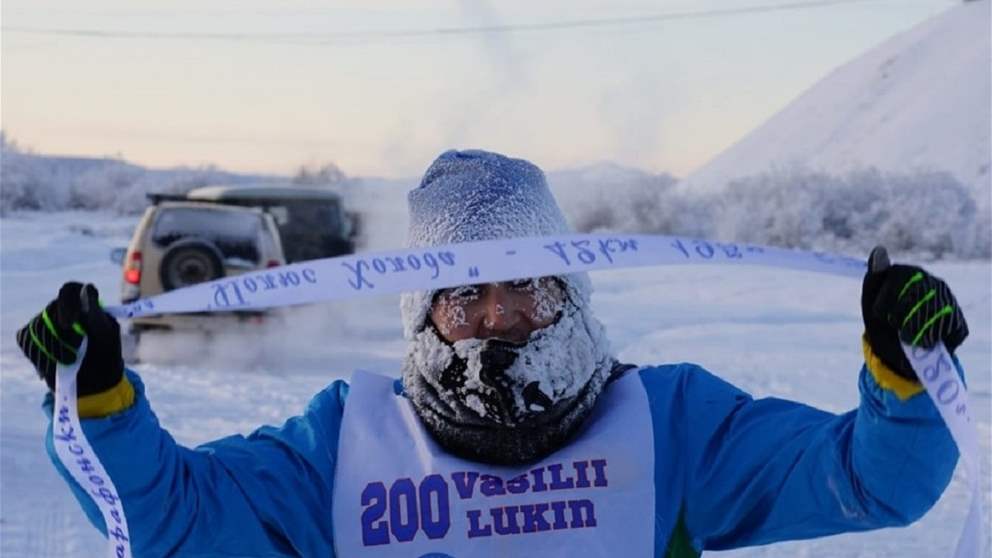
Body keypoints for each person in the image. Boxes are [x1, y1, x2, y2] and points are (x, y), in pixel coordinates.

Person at [18, 149, 969, 557]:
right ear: (423, 312)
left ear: (572, 288)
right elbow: (173, 525)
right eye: (464, 291)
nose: (499, 314)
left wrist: (904, 373)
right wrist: (98, 398)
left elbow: (873, 479)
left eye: (527, 282)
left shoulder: (676, 427)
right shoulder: (344, 446)